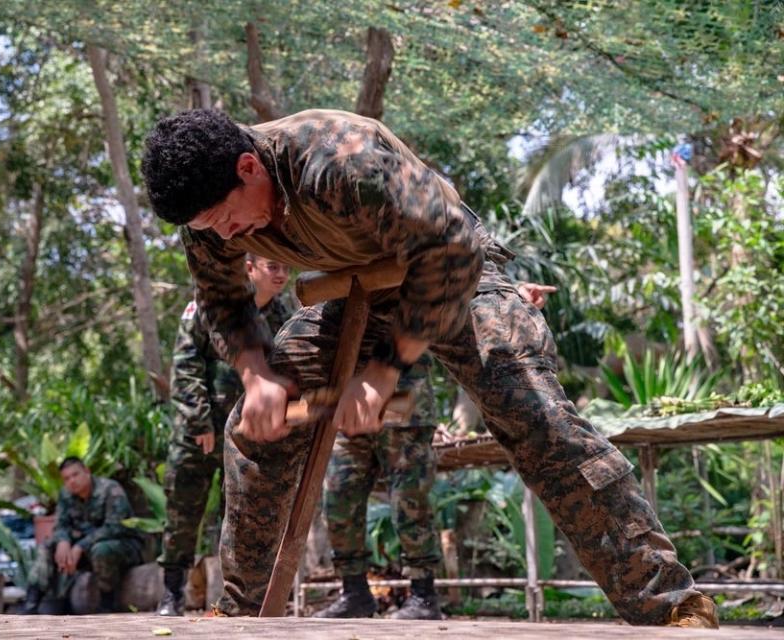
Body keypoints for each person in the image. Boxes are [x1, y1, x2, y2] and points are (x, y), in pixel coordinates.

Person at [142, 108, 718, 628]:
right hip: (359, 292)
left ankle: (670, 603)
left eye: (223, 218)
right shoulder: (210, 218)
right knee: (251, 430)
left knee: (536, 419)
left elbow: (454, 251)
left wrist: (385, 370)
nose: (223, 235)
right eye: (206, 228)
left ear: (249, 166)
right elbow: (223, 302)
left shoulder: (339, 161)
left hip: (455, 275)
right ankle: (241, 616)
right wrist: (255, 373)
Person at [158, 254, 294, 616]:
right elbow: (186, 365)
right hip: (200, 431)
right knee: (184, 510)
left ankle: (235, 599)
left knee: (239, 512)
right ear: (249, 267)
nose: (281, 273)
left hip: (247, 434)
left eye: (285, 267)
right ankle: (171, 592)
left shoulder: (283, 317)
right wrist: (199, 422)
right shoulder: (214, 305)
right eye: (273, 266)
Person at [315, 355, 443, 620]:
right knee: (339, 496)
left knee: (410, 500)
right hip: (352, 403)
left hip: (405, 396)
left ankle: (424, 596)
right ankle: (354, 593)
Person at [22, 457, 145, 614]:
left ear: (87, 472)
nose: (72, 481)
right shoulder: (66, 495)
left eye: (75, 475)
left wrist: (81, 545)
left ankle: (107, 604)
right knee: (48, 546)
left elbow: (115, 527)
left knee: (101, 549)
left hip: (122, 548)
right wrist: (63, 541)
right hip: (85, 552)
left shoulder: (110, 489)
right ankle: (31, 604)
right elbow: (61, 524)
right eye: (67, 478)